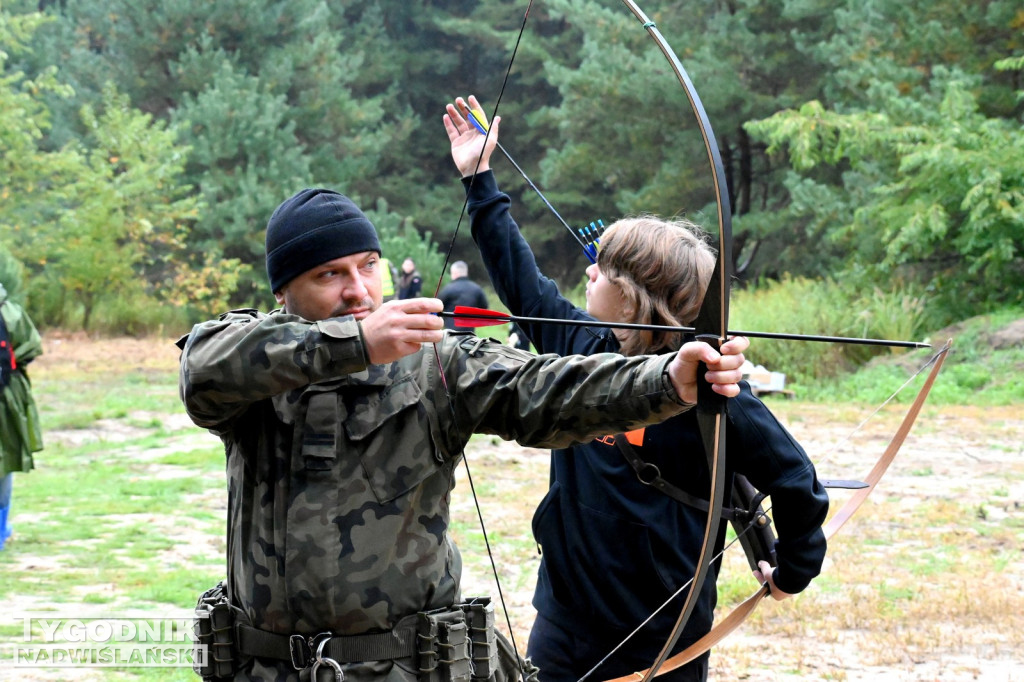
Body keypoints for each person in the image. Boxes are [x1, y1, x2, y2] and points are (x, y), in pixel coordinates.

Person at [176, 187, 749, 682]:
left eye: (368, 265)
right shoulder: (255, 369)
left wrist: (668, 379)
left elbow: (547, 388)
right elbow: (201, 366)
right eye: (330, 274)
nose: (358, 291)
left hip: (409, 669)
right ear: (284, 291)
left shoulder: (436, 365)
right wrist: (354, 346)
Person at [444, 95, 829, 682]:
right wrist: (479, 178)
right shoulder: (584, 346)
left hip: (665, 636)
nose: (588, 270)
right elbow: (521, 283)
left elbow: (796, 481)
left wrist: (794, 567)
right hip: (565, 622)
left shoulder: (714, 389)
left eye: (601, 265)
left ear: (631, 293)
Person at [0, 281, 44, 551]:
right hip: (8, 397)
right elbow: (31, 347)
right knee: (4, 460)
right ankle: (1, 531)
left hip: (7, 395)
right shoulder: (11, 311)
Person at [437, 260, 488, 330]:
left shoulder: (448, 289)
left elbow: (437, 307)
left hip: (451, 332)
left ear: (455, 273)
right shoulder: (477, 289)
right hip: (469, 333)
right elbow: (484, 308)